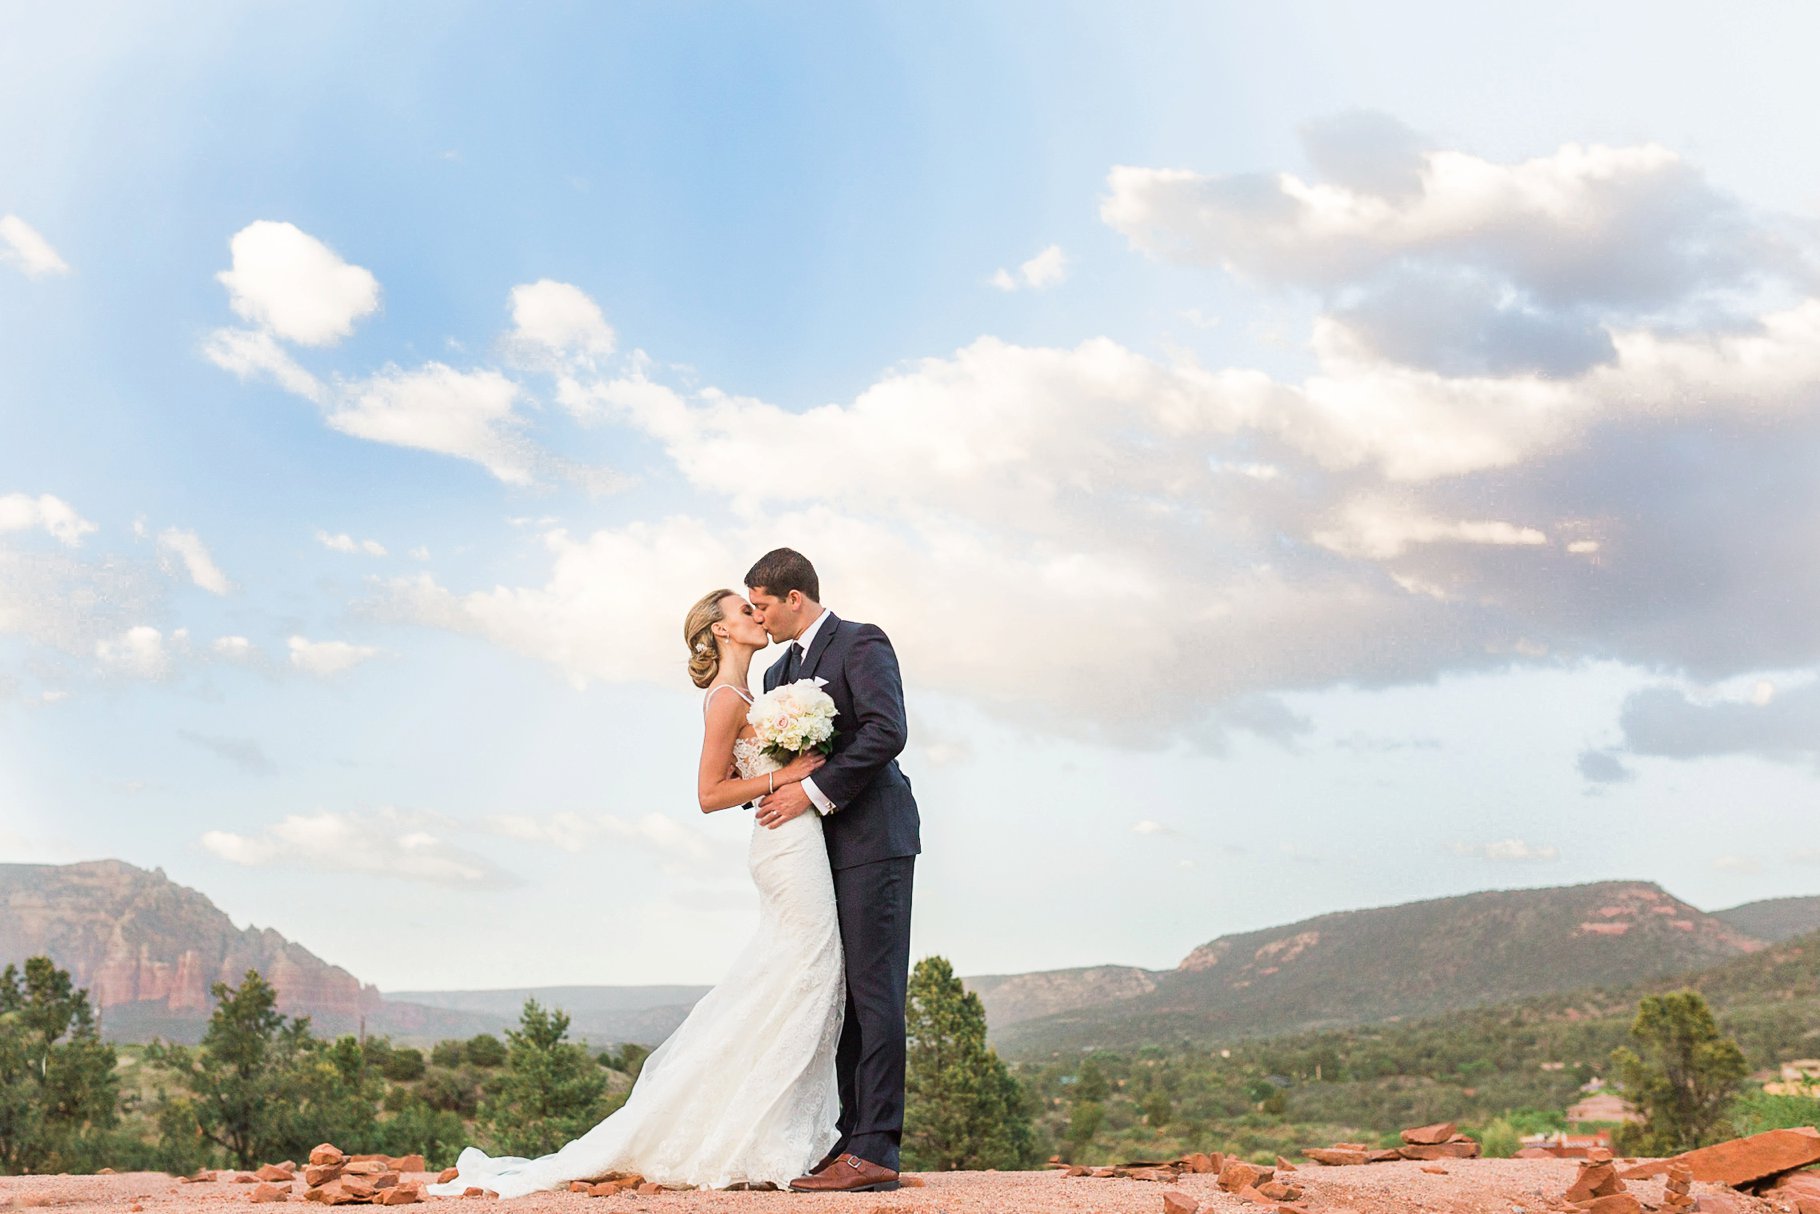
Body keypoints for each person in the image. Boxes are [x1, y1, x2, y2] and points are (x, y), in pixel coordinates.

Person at [426, 585, 847, 1197]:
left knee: (795, 975)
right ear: (723, 631)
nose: (758, 617)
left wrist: (783, 769)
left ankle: (765, 1129)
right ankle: (754, 1134)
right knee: (807, 971)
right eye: (745, 611)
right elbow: (708, 795)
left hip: (793, 838)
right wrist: (787, 773)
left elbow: (743, 781)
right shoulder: (726, 699)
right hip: (785, 847)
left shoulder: (752, 695)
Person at [744, 547, 921, 1194]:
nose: (758, 618)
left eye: (762, 605)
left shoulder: (859, 641)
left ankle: (877, 1149)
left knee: (876, 995)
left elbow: (885, 730)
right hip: (816, 852)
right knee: (836, 995)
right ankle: (846, 1140)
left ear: (796, 597)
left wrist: (814, 794)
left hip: (874, 836)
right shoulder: (775, 675)